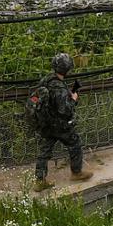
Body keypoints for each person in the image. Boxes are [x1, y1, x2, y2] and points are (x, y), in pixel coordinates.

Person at [34, 52, 93, 191]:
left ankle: (39, 180)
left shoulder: (46, 80)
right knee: (75, 143)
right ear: (67, 69)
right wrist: (73, 99)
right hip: (60, 126)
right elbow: (65, 110)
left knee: (44, 151)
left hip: (46, 123)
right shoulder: (60, 87)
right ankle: (76, 173)